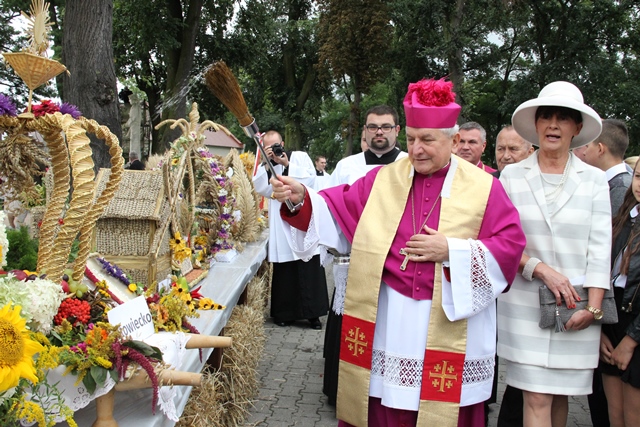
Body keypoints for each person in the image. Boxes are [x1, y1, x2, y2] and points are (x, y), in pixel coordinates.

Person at [271, 78, 526, 426]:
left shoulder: (484, 188)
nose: (416, 150)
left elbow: (509, 248)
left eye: (427, 140)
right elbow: (337, 210)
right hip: (391, 321)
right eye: (412, 139)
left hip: (451, 323)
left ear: (453, 141)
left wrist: (452, 250)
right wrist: (302, 198)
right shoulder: (383, 180)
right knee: (385, 408)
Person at [497, 81, 611, 427]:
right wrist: (539, 268)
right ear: (535, 124)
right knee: (536, 397)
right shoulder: (511, 176)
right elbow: (500, 240)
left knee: (560, 396)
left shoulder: (595, 180)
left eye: (563, 118)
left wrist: (593, 308)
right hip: (524, 309)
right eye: (546, 117)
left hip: (576, 307)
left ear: (577, 128)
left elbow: (600, 248)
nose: (553, 125)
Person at [321, 105, 408, 406]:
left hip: (397, 265)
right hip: (355, 261)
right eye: (372, 127)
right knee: (350, 329)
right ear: (365, 131)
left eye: (385, 126)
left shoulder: (410, 164)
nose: (378, 132)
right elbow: (330, 208)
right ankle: (344, 393)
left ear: (397, 130)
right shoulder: (347, 166)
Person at [252, 130, 329, 329]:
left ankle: (313, 315)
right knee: (286, 270)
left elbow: (311, 180)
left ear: (283, 143)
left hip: (302, 218)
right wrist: (266, 164)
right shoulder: (266, 166)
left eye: (276, 145)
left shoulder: (299, 157)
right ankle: (284, 313)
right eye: (268, 147)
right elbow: (260, 188)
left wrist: (286, 165)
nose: (273, 150)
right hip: (281, 222)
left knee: (309, 265)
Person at [601, 161, 640, 427]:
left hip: (635, 325)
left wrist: (632, 339)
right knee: (615, 415)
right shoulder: (626, 217)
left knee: (633, 415)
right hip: (615, 316)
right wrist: (601, 327)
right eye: (638, 176)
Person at [581, 119, 631, 216]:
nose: (584, 153)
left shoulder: (621, 189)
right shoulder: (614, 183)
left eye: (587, 146)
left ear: (600, 149)